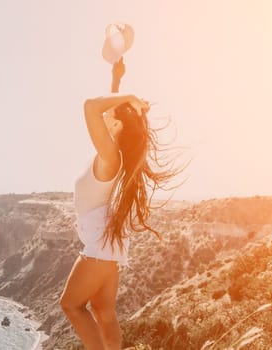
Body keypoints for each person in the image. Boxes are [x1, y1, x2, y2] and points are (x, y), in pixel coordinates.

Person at [59, 57, 181, 350]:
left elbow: (91, 106)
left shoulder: (111, 157)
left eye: (114, 114)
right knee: (103, 312)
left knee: (71, 306)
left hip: (100, 249)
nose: (106, 115)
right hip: (109, 248)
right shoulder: (114, 155)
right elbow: (106, 110)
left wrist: (129, 97)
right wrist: (116, 79)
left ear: (117, 124)